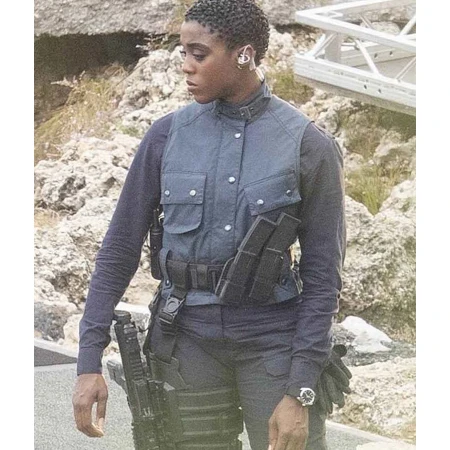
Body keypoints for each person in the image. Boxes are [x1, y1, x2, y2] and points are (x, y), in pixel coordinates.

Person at [72, 1, 346, 449]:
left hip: (273, 342)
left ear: (244, 54)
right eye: (183, 53)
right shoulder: (165, 137)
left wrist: (301, 388)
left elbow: (323, 278)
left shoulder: (308, 145)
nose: (186, 66)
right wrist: (88, 361)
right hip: (186, 342)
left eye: (199, 54)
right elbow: (119, 250)